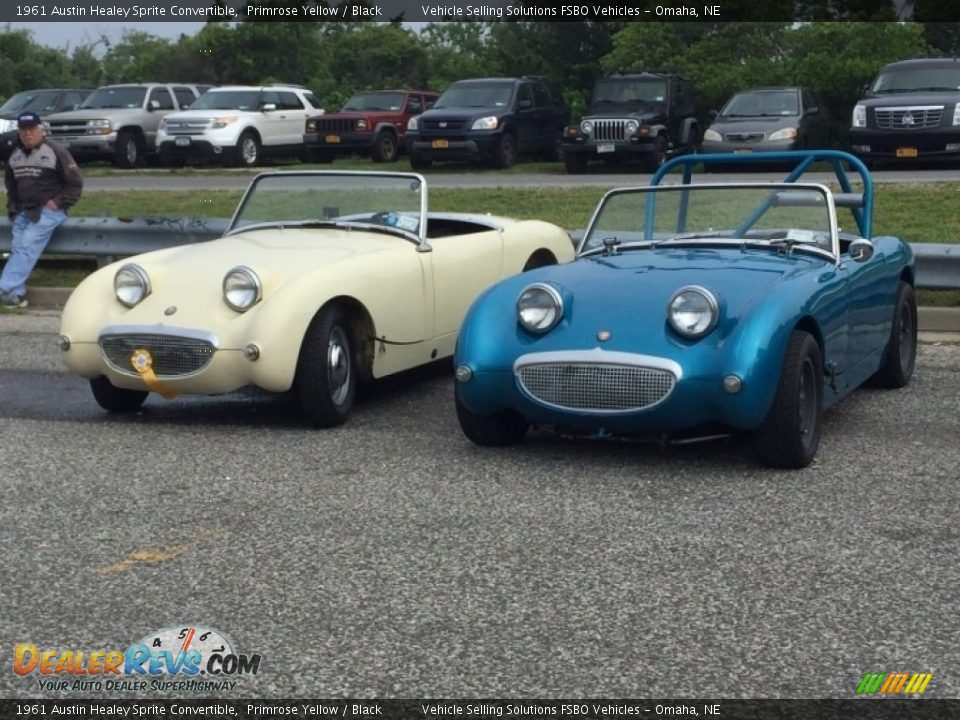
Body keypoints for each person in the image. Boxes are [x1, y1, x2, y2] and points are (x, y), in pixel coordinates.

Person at [1, 111, 83, 308]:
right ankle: (16, 296)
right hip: (23, 211)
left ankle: (3, 288)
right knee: (19, 249)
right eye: (24, 130)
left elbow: (75, 182)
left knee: (26, 247)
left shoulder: (56, 151)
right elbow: (11, 186)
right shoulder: (15, 155)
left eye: (32, 129)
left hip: (48, 211)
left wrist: (58, 202)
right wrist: (13, 209)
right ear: (19, 132)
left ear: (40, 130)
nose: (28, 134)